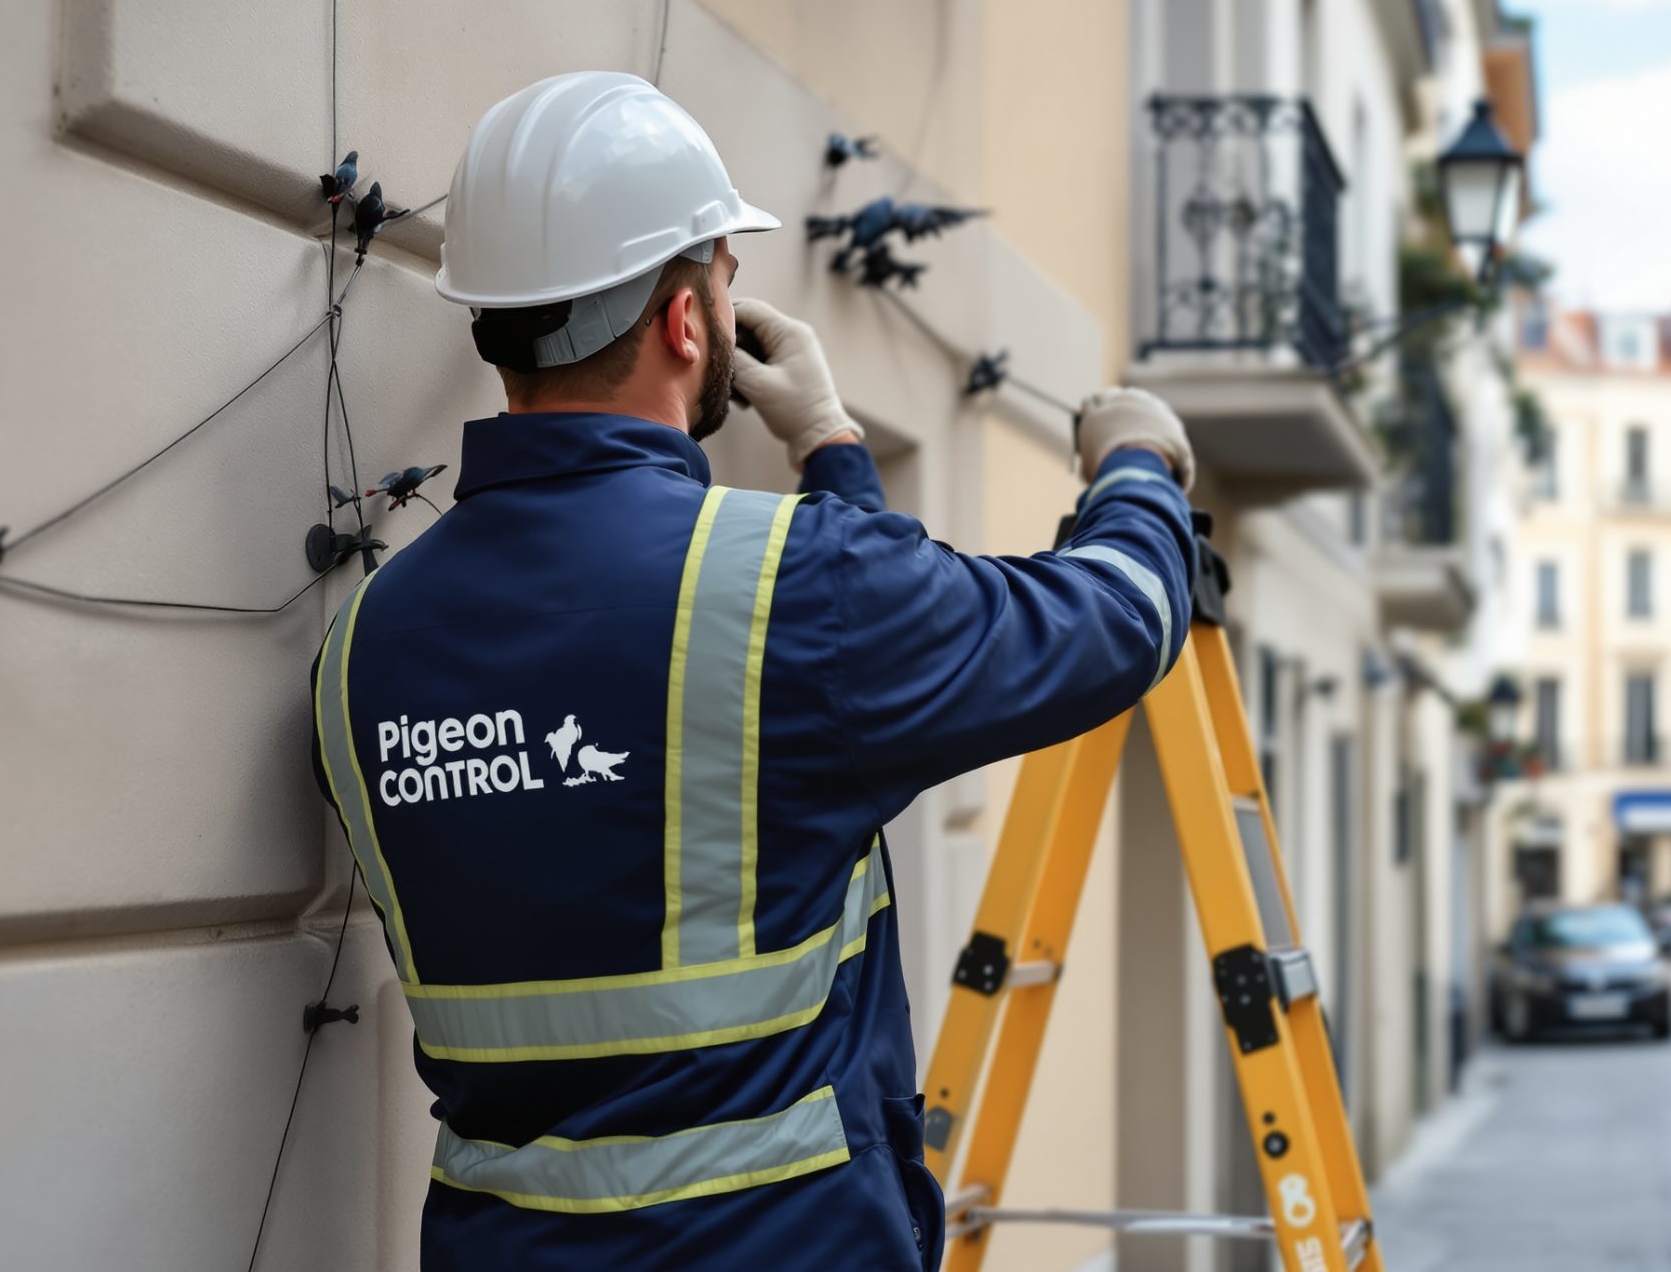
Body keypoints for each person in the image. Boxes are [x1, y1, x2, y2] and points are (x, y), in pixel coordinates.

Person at [309, 72, 1197, 1271]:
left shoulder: (361, 648)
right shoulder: (792, 592)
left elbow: (771, 728)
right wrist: (1136, 465)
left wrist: (832, 455)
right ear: (685, 323)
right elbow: (1116, 619)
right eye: (725, 278)